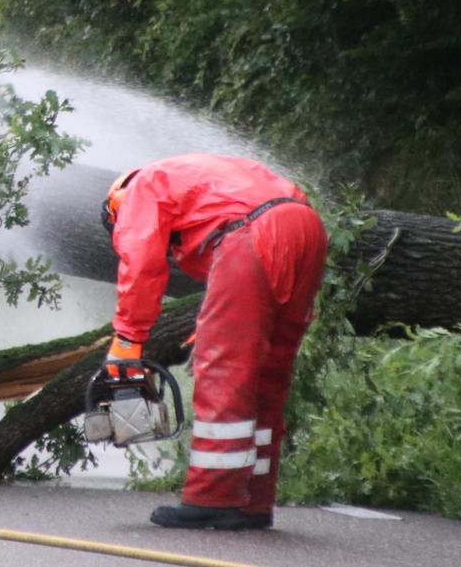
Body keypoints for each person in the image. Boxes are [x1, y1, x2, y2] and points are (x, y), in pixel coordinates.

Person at [100, 154, 328, 530]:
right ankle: (254, 499)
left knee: (224, 370)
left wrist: (128, 338)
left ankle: (214, 497)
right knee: (268, 374)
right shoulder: (197, 175)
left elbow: (141, 264)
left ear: (116, 209)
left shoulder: (142, 189)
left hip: (252, 233)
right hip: (306, 229)